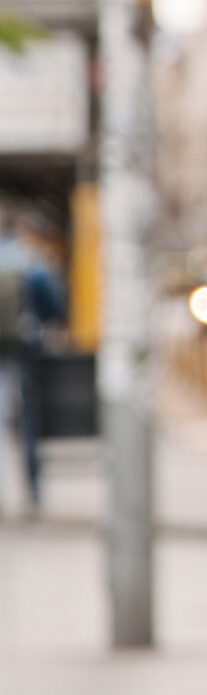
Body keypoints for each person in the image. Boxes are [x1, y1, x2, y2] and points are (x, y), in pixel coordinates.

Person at [0, 208, 63, 514]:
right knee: (26, 421)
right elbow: (53, 303)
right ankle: (34, 491)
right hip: (22, 350)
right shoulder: (29, 260)